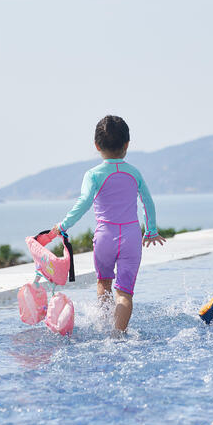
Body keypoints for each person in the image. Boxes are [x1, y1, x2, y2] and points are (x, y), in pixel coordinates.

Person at [53, 115, 165, 332]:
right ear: (127, 145)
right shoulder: (134, 173)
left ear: (96, 145)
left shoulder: (93, 175)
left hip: (105, 237)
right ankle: (117, 336)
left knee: (104, 283)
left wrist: (63, 226)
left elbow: (83, 202)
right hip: (132, 237)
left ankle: (104, 326)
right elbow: (148, 203)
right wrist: (151, 230)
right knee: (124, 294)